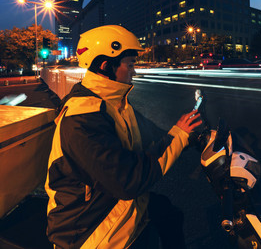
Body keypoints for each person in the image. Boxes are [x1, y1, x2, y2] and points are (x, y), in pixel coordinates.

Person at [45, 25, 201, 248]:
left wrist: (186, 137)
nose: (134, 72)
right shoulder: (83, 118)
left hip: (108, 204)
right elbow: (128, 181)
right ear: (105, 66)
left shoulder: (113, 103)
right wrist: (179, 135)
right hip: (89, 230)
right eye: (130, 65)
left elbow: (143, 144)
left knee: (167, 212)